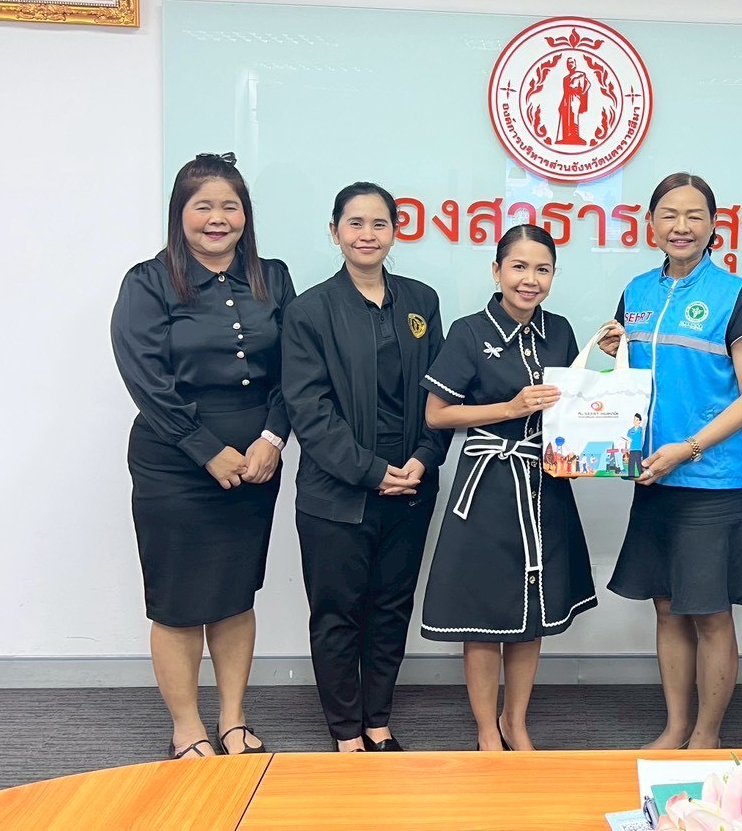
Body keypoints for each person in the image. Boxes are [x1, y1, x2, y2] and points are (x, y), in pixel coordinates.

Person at [110, 152, 295, 760]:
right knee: (179, 602)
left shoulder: (272, 277)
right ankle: (186, 727)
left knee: (236, 595)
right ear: (180, 214)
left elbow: (295, 369)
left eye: (230, 206)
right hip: (173, 464)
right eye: (204, 206)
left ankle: (233, 719)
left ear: (246, 214)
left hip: (256, 463)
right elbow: (145, 377)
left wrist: (272, 439)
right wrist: (206, 450)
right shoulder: (148, 281)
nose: (218, 218)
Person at [602, 172, 742, 750]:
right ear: (650, 224)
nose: (681, 226)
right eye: (669, 214)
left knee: (710, 614)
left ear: (714, 225)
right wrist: (612, 357)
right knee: (668, 608)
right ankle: (676, 727)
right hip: (653, 477)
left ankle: (706, 735)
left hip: (709, 480)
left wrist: (690, 448)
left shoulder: (735, 294)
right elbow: (627, 384)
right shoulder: (637, 292)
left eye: (694, 215)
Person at [281, 182, 447, 752]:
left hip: (411, 487)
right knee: (337, 614)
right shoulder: (309, 311)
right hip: (337, 494)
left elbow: (440, 394)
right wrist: (372, 471)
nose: (367, 235)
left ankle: (378, 721)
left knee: (391, 609)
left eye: (380, 224)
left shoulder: (421, 301)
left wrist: (424, 458)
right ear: (335, 232)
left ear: (396, 232)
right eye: (355, 223)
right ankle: (346, 732)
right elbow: (309, 411)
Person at [419, 224, 596, 752]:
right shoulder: (469, 331)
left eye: (543, 269)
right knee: (483, 615)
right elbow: (437, 414)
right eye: (519, 267)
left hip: (544, 483)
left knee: (532, 612)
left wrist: (606, 358)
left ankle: (516, 723)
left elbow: (574, 404)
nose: (530, 279)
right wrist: (509, 408)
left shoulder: (559, 331)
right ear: (496, 271)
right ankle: (485, 730)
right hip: (487, 486)